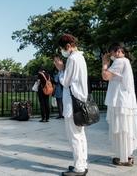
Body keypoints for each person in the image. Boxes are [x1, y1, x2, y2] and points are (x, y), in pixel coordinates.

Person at [54, 34, 88, 176]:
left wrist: (61, 69)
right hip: (79, 101)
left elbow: (66, 82)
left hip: (73, 103)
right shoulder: (80, 57)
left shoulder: (72, 59)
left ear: (67, 46)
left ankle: (79, 168)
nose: (63, 52)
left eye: (63, 48)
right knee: (80, 135)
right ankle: (82, 163)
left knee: (74, 136)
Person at [102, 43, 137, 167]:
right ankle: (126, 155)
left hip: (120, 101)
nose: (110, 55)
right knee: (125, 129)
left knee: (121, 128)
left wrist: (104, 64)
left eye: (111, 53)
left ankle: (124, 157)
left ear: (117, 51)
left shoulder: (120, 61)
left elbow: (105, 76)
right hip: (125, 100)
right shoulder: (126, 61)